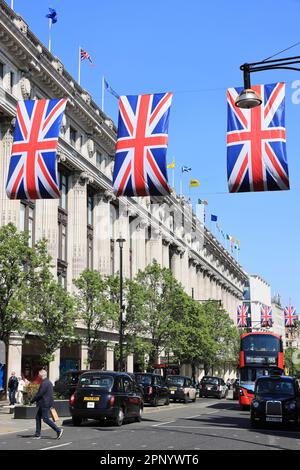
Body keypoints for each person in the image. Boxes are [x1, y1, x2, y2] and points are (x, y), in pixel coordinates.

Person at [30, 369, 63, 440]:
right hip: (46, 402)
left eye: (39, 374)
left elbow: (40, 394)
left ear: (41, 375)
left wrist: (32, 400)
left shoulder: (45, 383)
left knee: (45, 419)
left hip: (44, 403)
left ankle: (58, 430)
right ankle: (37, 434)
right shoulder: (48, 382)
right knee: (38, 417)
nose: (38, 375)